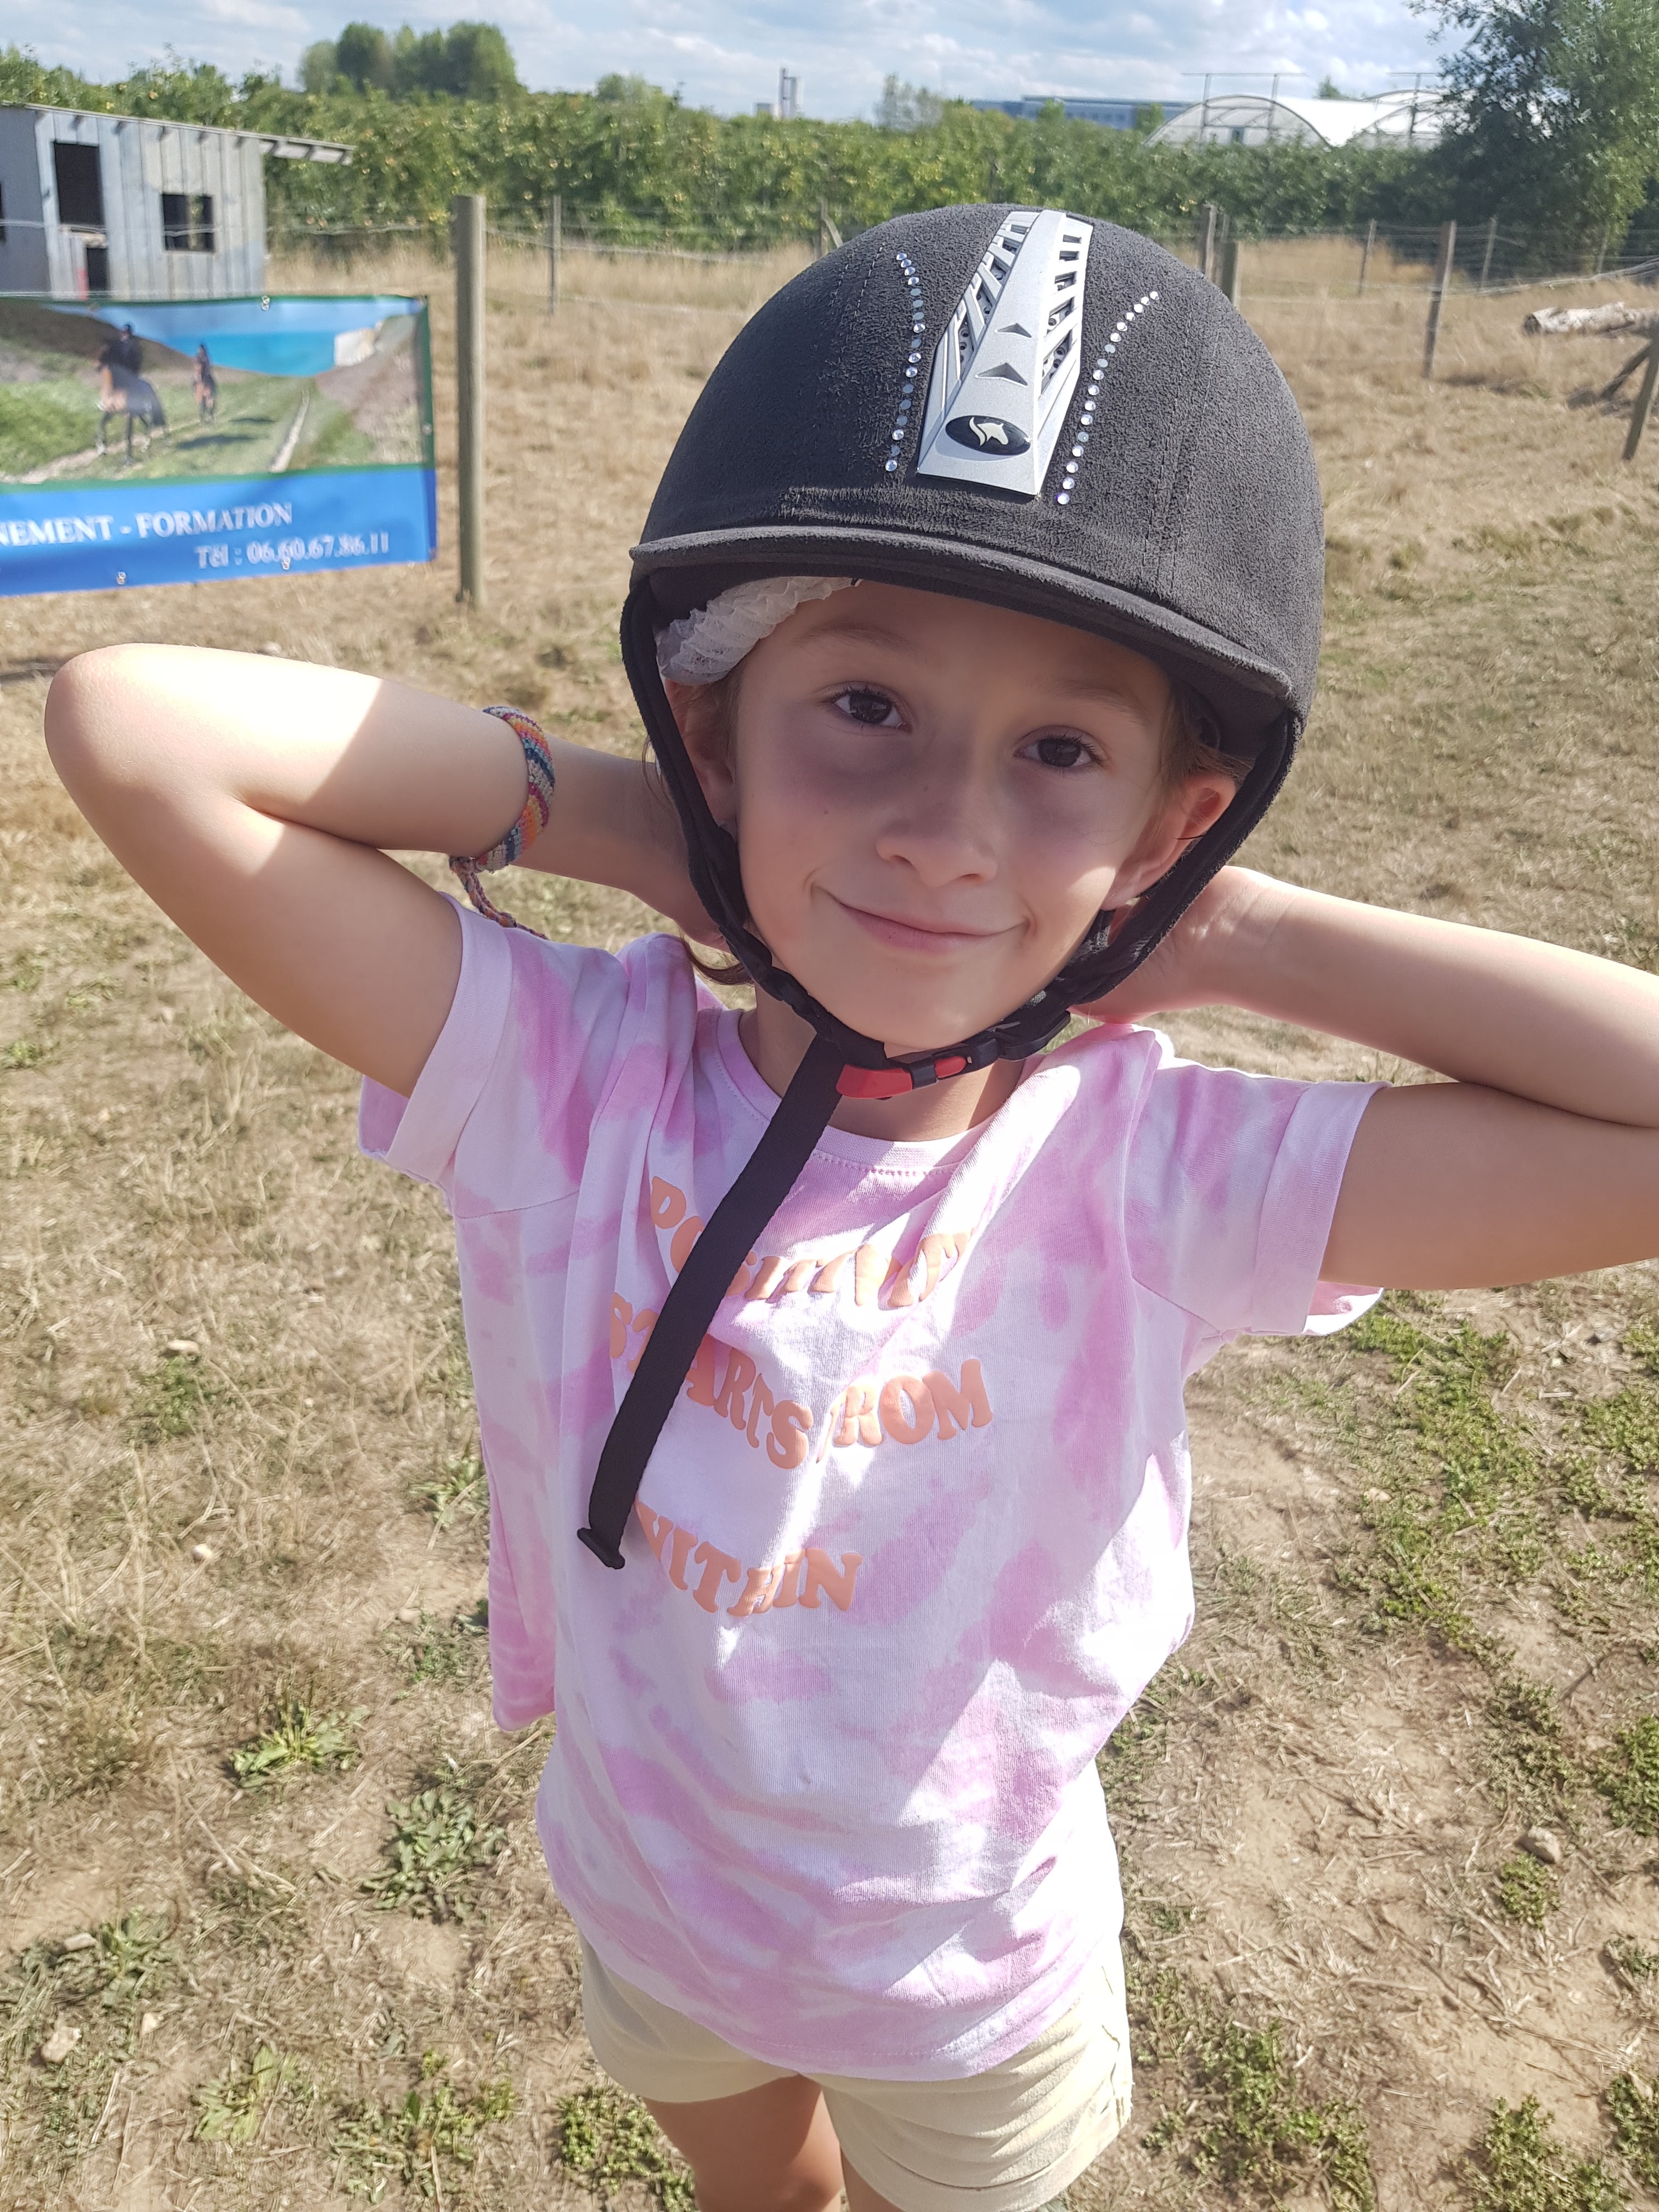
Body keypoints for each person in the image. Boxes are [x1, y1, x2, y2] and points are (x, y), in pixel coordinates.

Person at [41, 205, 1659, 2212]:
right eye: (864, 709)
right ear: (715, 720)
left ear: (1168, 824)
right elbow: (132, 727)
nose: (945, 833)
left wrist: (1235, 933)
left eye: (1061, 750)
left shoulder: (1153, 1174)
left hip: (967, 1995)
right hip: (653, 1909)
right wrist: (646, 827)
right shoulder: (568, 1082)